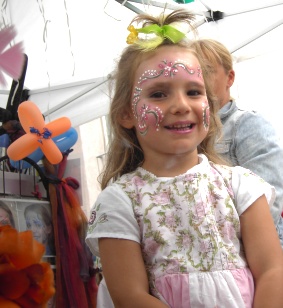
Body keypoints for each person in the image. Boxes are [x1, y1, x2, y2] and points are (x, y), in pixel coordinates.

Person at [85, 9, 283, 308]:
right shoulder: (119, 201)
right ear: (126, 113)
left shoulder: (241, 185)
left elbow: (272, 270)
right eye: (159, 94)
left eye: (193, 91)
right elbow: (129, 296)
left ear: (210, 105)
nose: (180, 105)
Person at [190, 38, 283, 246]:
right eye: (192, 74)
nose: (199, 80)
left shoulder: (247, 124)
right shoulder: (184, 132)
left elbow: (269, 205)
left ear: (230, 78)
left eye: (207, 71)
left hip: (252, 254)